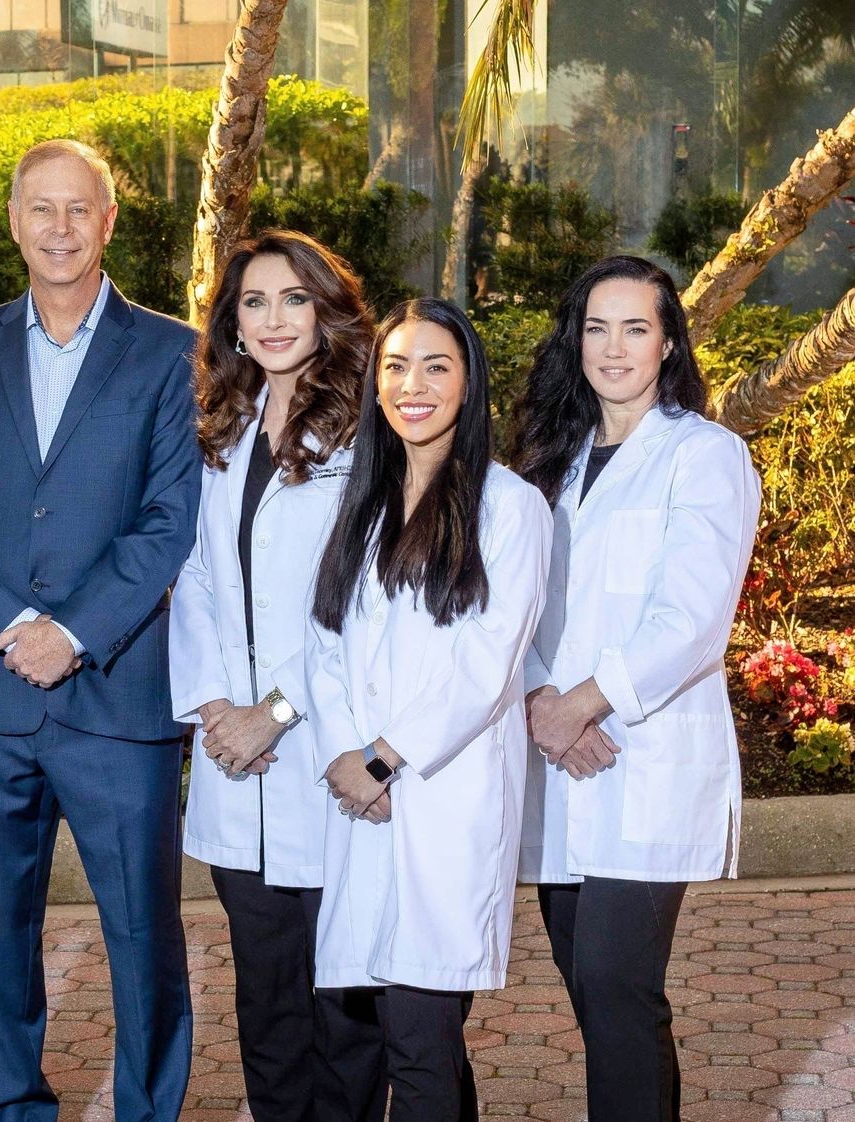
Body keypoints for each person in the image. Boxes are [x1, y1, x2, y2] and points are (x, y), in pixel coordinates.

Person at [0, 138, 201, 1122]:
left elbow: (170, 519)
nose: (61, 228)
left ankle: (147, 1109)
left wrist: (73, 632)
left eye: (81, 210)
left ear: (109, 223)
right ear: (16, 221)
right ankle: (9, 1110)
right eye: (43, 209)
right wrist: (11, 625)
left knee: (143, 938)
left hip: (117, 698)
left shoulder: (168, 351)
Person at [512, 256, 761, 1122]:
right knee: (593, 992)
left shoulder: (705, 454)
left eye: (635, 328)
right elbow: (521, 606)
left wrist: (579, 703)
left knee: (620, 989)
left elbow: (692, 619)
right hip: (560, 753)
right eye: (596, 327)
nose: (613, 348)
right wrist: (545, 704)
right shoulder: (553, 460)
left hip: (641, 757)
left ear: (667, 343)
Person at [305, 298, 552, 1122]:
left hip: (443, 799)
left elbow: (487, 666)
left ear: (469, 383)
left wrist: (382, 757)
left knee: (419, 1039)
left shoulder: (510, 506)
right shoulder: (363, 503)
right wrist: (348, 754)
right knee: (381, 1026)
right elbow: (325, 641)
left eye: (436, 367)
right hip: (362, 802)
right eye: (397, 366)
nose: (414, 385)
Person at [168, 229, 379, 1122]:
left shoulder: (370, 434)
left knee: (345, 1006)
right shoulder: (220, 431)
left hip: (321, 752)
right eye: (253, 302)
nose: (274, 319)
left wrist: (275, 713)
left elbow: (362, 604)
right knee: (267, 1002)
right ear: (232, 323)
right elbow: (199, 581)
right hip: (235, 763)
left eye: (294, 298)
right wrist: (218, 706)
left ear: (327, 310)